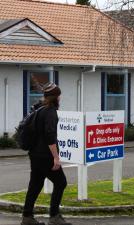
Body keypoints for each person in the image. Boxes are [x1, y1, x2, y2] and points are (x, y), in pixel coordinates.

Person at [21, 83, 72, 225]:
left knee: (35, 185)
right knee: (61, 183)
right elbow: (50, 136)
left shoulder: (39, 109)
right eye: (59, 95)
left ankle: (27, 217)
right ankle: (54, 216)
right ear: (56, 97)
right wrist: (56, 157)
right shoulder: (50, 112)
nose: (60, 97)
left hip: (35, 154)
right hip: (45, 156)